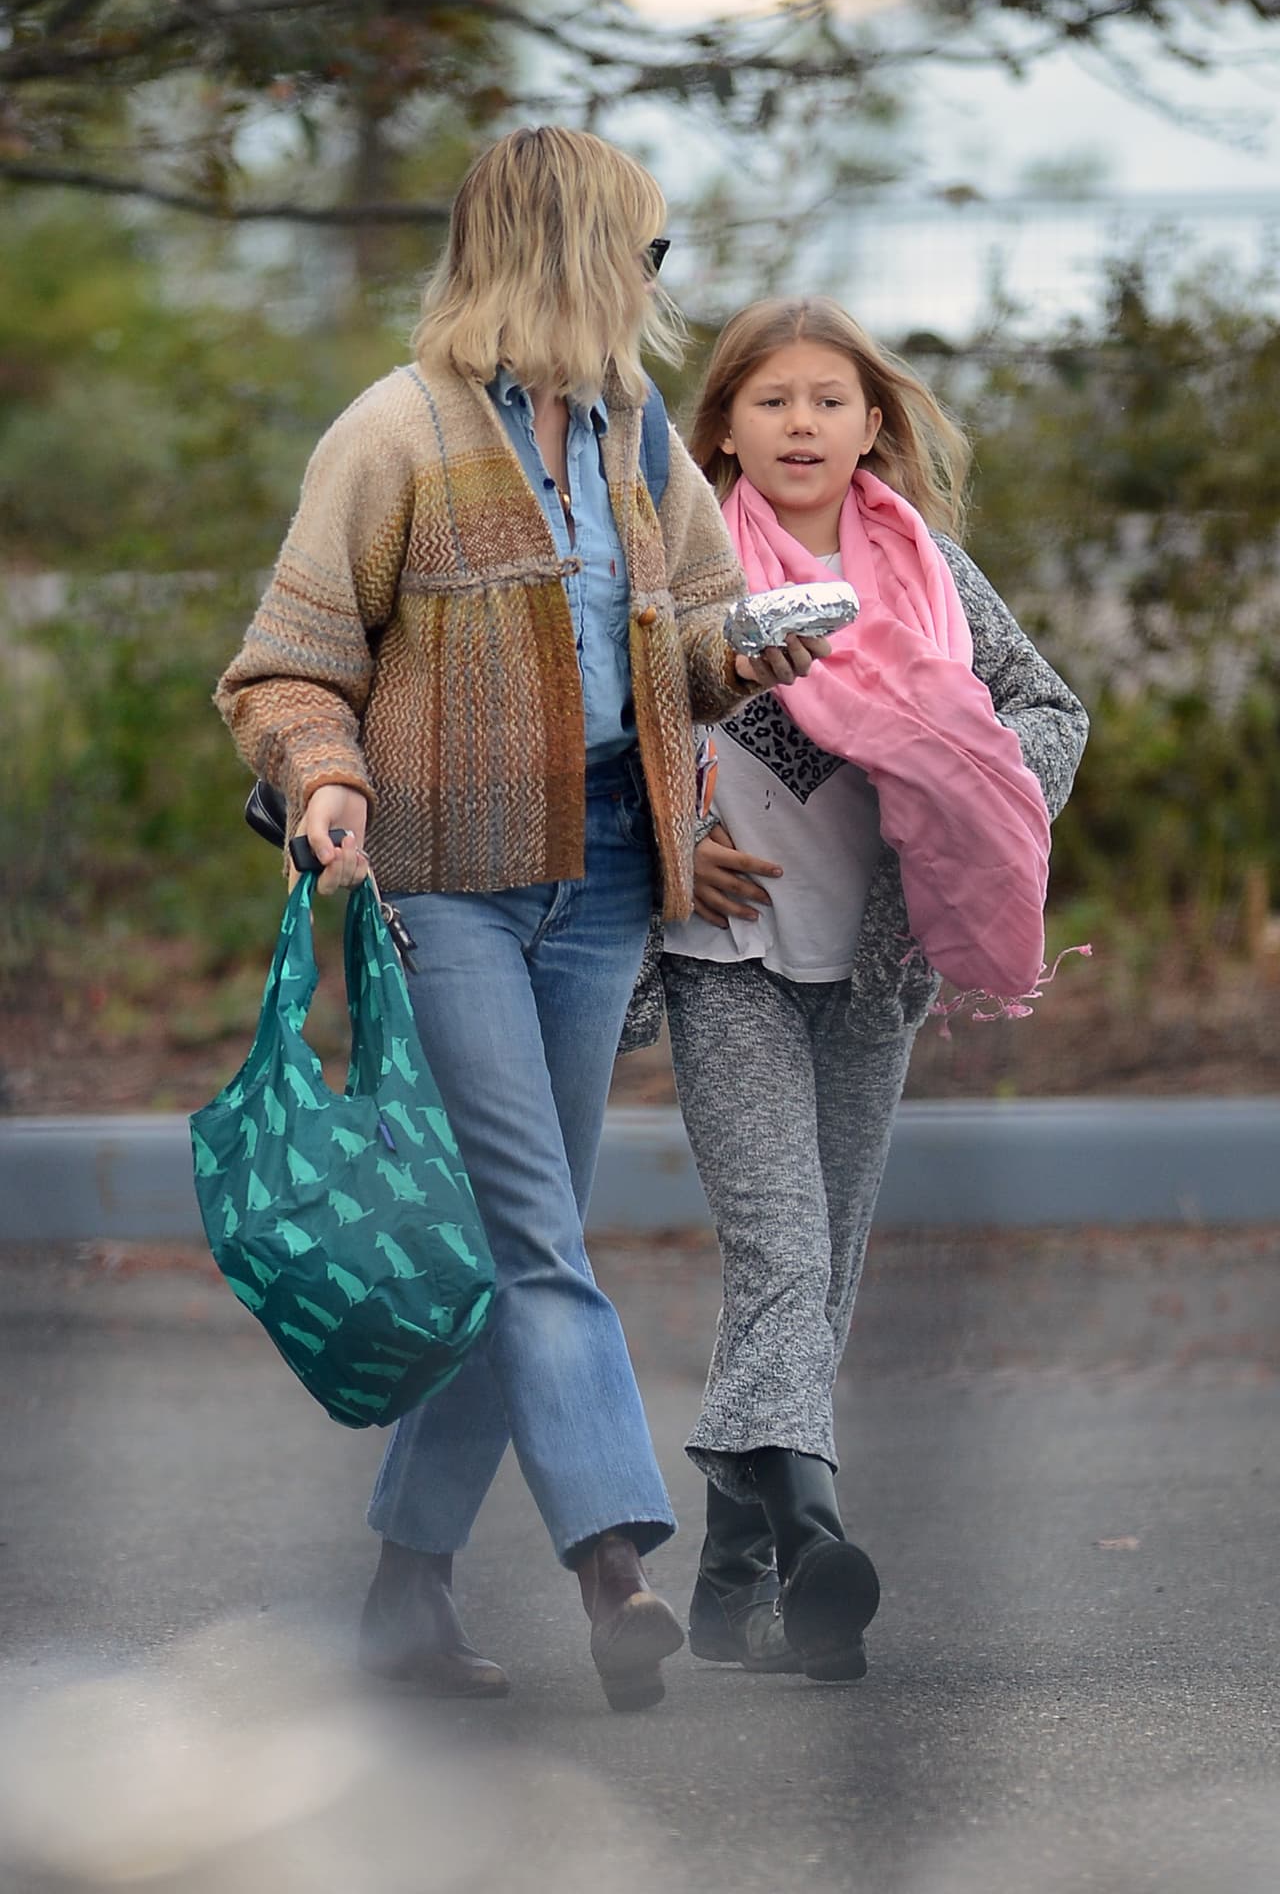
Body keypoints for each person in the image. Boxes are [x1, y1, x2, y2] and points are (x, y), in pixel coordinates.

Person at [214, 131, 828, 1714]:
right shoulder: (395, 434)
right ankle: (616, 1569)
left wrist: (749, 656)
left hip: (608, 876)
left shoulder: (632, 434)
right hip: (448, 890)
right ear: (569, 253)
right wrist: (324, 781)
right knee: (539, 1238)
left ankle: (405, 1597)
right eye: (645, 248)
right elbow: (285, 665)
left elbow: (685, 635)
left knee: (502, 1244)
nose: (655, 279)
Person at [657, 296, 1089, 1683]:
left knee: (824, 1260)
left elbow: (1050, 710)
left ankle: (734, 1588)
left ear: (873, 426)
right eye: (771, 400)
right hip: (725, 963)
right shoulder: (683, 567)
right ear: (721, 424)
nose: (801, 423)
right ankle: (819, 1535)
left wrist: (970, 785)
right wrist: (675, 848)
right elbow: (612, 730)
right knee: (784, 1250)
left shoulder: (930, 573)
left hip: (874, 969)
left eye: (829, 401)